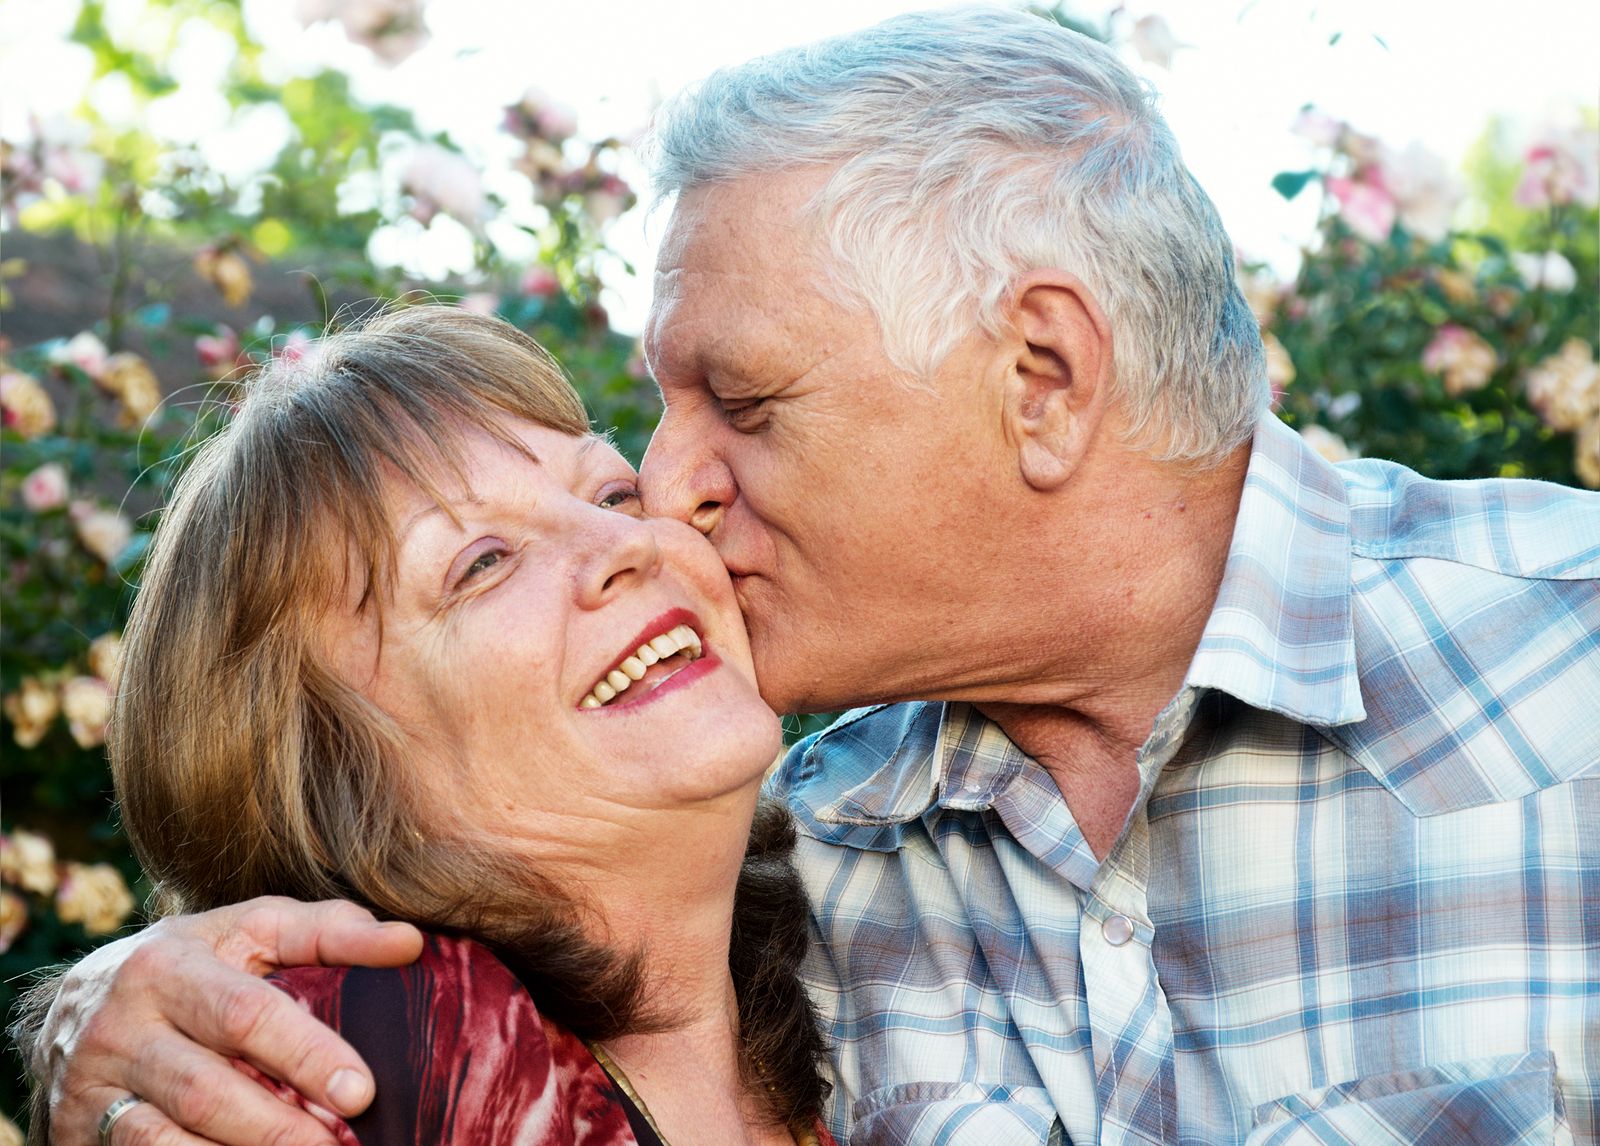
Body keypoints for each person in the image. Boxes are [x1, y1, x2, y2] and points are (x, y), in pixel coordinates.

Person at [23, 7, 1600, 1144]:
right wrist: (99, 1020)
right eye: (492, 553)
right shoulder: (798, 843)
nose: (668, 501)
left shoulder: (1564, 668)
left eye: (745, 401)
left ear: (1043, 375)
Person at [19, 304, 836, 1145]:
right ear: (331, 772)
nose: (625, 544)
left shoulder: (859, 969)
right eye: (482, 562)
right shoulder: (358, 1058)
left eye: (615, 493)